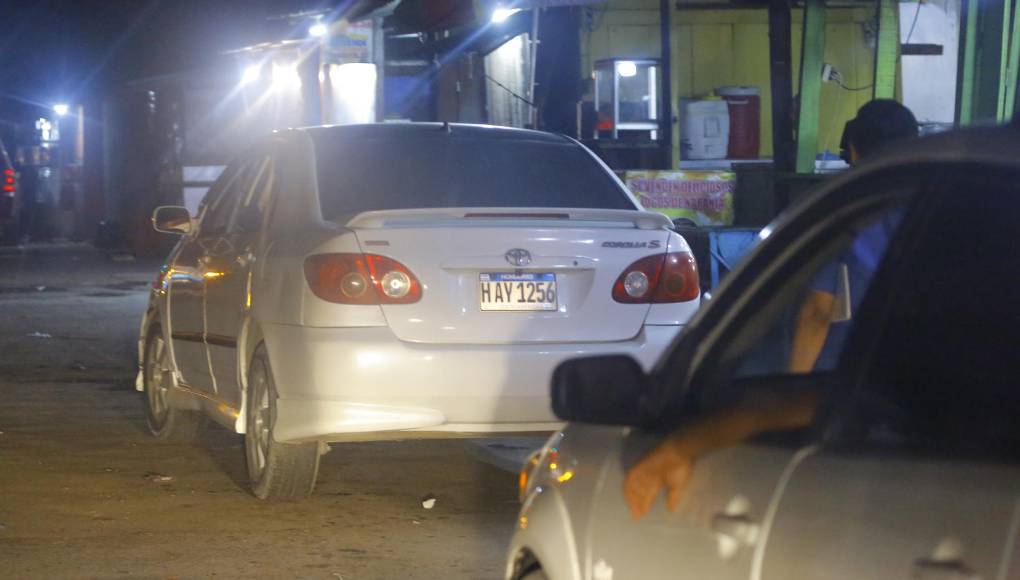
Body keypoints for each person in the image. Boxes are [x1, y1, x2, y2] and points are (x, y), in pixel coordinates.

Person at [624, 100, 919, 520]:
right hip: (917, 396)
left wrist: (790, 391)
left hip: (839, 401)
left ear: (853, 149)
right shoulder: (936, 207)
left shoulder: (851, 209)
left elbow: (818, 312)